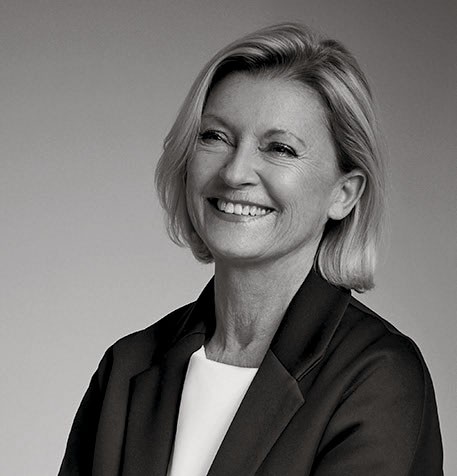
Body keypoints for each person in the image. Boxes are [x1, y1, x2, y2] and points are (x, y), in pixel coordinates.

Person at [59, 23, 443, 475]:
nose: (235, 172)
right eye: (215, 137)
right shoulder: (126, 368)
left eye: (280, 148)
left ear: (344, 194)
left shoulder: (379, 377)